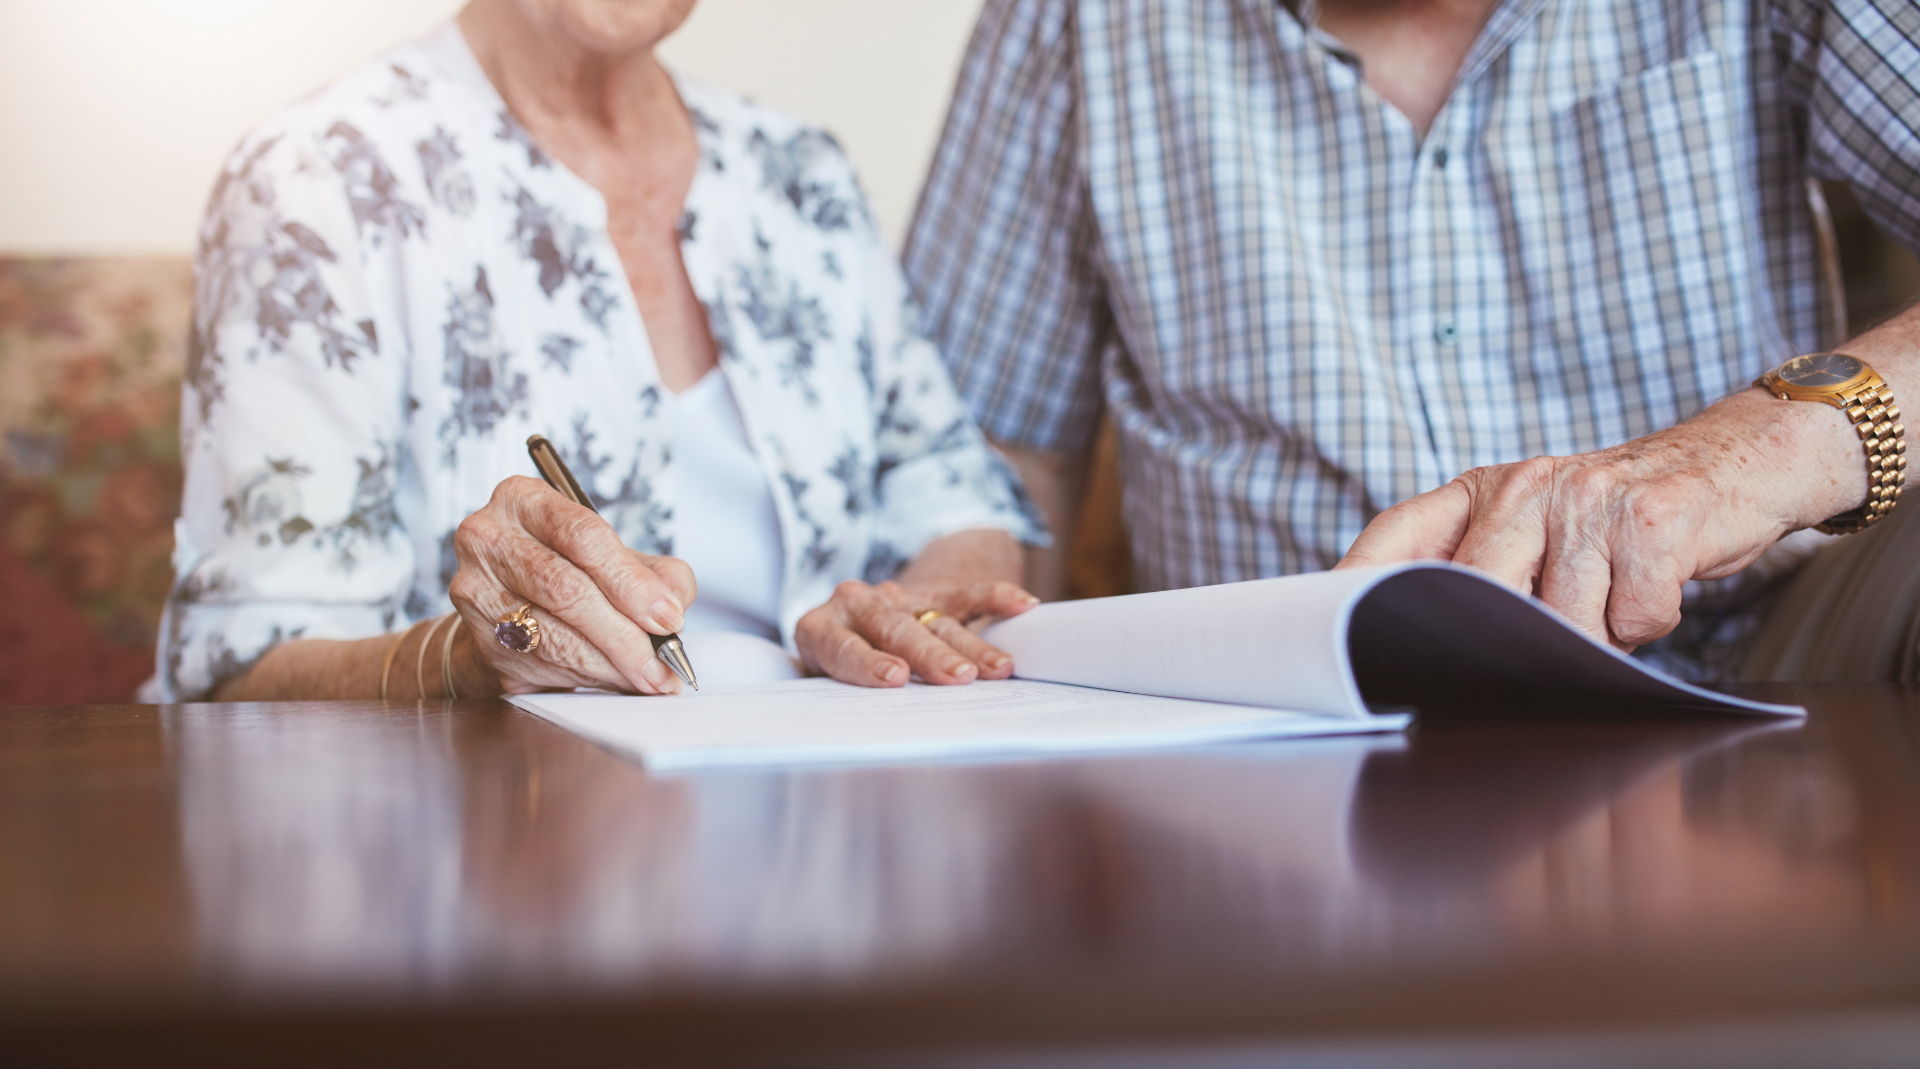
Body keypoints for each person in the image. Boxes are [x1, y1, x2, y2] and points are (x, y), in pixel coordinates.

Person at [906, 0, 1920, 681]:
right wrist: (953, 598)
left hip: (1763, 670)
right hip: (1279, 734)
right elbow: (991, 450)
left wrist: (1747, 459)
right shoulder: (1072, 21)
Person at [156, 0, 1045, 702]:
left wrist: (909, 613)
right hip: (498, 842)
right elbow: (241, 662)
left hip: (830, 821)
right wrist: (472, 662)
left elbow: (953, 489)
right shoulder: (315, 181)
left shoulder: (798, 172)